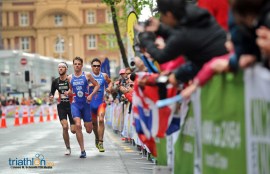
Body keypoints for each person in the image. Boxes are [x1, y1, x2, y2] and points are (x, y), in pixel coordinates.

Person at [65, 57, 100, 158]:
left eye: (79, 64)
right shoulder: (70, 78)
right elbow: (71, 91)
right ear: (73, 65)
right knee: (78, 126)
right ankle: (82, 150)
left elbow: (96, 85)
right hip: (75, 104)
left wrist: (91, 95)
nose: (77, 65)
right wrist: (68, 93)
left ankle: (95, 135)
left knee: (89, 130)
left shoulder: (87, 75)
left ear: (82, 65)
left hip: (86, 104)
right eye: (75, 64)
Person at [49, 62, 76, 155]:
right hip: (61, 106)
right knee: (65, 127)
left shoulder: (70, 79)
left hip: (71, 105)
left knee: (73, 130)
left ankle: (77, 127)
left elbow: (76, 91)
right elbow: (51, 92)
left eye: (62, 67)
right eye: (59, 67)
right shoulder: (55, 81)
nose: (60, 69)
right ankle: (68, 148)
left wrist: (70, 92)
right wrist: (51, 96)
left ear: (66, 69)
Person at [89, 58, 112, 152]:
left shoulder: (104, 75)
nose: (96, 67)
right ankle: (97, 138)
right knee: (94, 124)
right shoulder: (87, 76)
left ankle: (101, 142)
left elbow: (110, 82)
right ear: (91, 67)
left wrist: (109, 88)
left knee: (101, 120)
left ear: (100, 66)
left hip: (100, 103)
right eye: (94, 66)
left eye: (98, 66)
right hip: (91, 104)